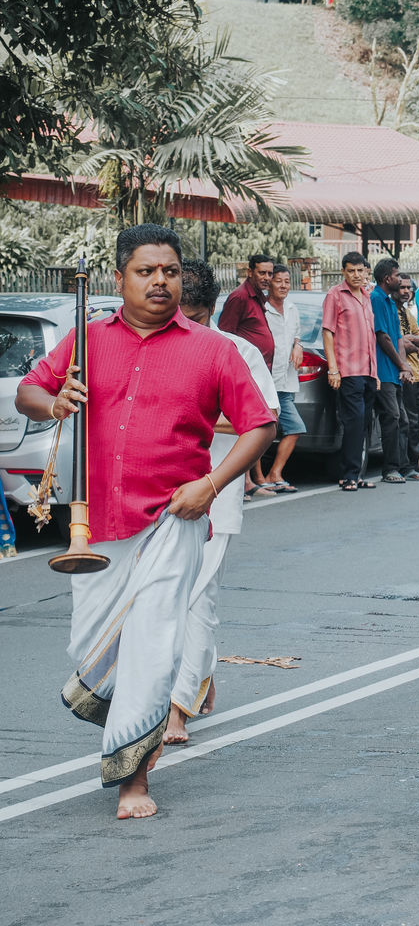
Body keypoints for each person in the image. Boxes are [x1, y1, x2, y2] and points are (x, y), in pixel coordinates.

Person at [15, 224, 276, 819]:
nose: (160, 281)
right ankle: (138, 717)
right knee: (92, 646)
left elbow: (260, 424)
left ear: (182, 279)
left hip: (173, 520)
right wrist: (54, 402)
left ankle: (133, 778)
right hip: (96, 524)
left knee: (155, 642)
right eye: (146, 271)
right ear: (120, 278)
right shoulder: (85, 340)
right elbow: (28, 392)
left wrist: (210, 486)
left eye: (170, 272)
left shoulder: (213, 349)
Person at [165, 260, 280, 745]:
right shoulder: (156, 345)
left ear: (211, 311)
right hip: (159, 491)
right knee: (164, 600)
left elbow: (266, 418)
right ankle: (203, 671)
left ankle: (177, 709)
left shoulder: (238, 351)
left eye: (194, 317)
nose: (185, 327)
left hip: (218, 488)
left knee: (196, 599)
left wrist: (197, 420)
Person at [219, 253, 277, 499]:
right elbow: (224, 335)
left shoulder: (259, 297)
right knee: (247, 426)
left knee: (258, 425)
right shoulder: (239, 297)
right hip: (244, 373)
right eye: (262, 273)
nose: (266, 278)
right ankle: (242, 484)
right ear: (250, 272)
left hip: (260, 371)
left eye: (269, 273)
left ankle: (251, 480)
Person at [323, 252, 378, 491]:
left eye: (360, 270)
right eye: (351, 271)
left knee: (364, 423)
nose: (356, 275)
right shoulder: (335, 295)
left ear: (366, 271)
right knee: (354, 423)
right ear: (344, 272)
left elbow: (371, 337)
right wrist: (333, 370)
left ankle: (358, 474)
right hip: (348, 371)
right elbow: (328, 332)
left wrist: (374, 374)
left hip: (367, 371)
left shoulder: (366, 297)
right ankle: (348, 475)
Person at [262, 264, 305, 493]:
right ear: (269, 283)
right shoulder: (262, 309)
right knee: (262, 432)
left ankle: (275, 473)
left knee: (295, 428)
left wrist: (298, 345)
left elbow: (296, 336)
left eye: (287, 281)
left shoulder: (292, 308)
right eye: (278, 281)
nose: (283, 286)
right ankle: (258, 480)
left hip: (286, 383)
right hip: (265, 382)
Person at [371, 258, 413, 484]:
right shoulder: (376, 299)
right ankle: (390, 469)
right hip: (382, 371)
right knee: (392, 417)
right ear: (387, 279)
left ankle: (404, 466)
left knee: (403, 420)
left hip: (395, 371)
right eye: (397, 275)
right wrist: (400, 364)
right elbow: (383, 337)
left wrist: (404, 367)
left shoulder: (389, 301)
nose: (400, 279)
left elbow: (397, 338)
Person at [397, 272, 419, 481]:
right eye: (402, 287)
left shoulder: (408, 313)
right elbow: (396, 341)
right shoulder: (392, 312)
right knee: (409, 421)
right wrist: (410, 343)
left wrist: (410, 341)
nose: (406, 291)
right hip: (405, 373)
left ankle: (417, 462)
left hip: (418, 374)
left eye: (409, 288)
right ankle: (408, 465)